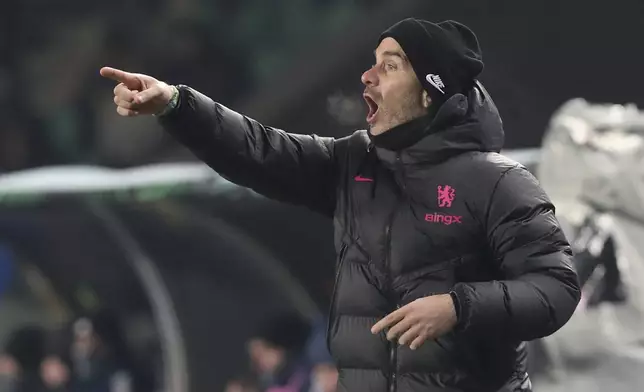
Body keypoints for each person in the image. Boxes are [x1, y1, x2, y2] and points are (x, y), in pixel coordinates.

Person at [100, 17, 581, 392]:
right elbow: (260, 150)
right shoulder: (353, 163)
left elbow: (555, 288)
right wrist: (174, 105)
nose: (367, 76)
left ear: (432, 92)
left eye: (390, 65)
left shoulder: (498, 183)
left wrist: (460, 306)